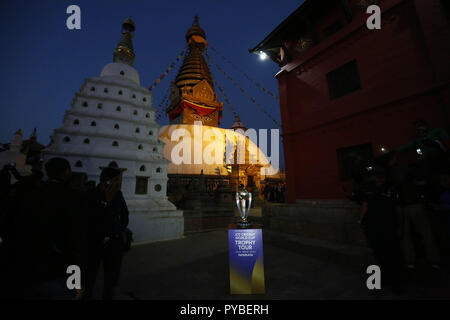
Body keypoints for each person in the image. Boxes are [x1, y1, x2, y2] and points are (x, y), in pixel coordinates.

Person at [13, 157, 85, 299]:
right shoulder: (74, 198)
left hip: (30, 269)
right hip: (59, 269)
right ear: (67, 172)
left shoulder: (31, 195)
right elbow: (75, 243)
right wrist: (76, 282)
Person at [83, 167, 129, 300]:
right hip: (94, 241)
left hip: (113, 242)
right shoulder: (91, 194)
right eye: (116, 180)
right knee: (89, 276)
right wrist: (106, 202)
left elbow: (125, 214)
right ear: (107, 180)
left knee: (111, 277)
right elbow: (89, 217)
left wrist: (119, 230)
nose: (119, 182)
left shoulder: (118, 194)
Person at [359, 165, 404, 293]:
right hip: (378, 227)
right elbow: (365, 206)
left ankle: (393, 282)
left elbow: (365, 206)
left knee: (389, 255)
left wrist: (360, 220)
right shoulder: (373, 190)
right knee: (382, 254)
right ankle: (386, 280)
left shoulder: (387, 190)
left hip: (384, 227)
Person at [398, 164, 440, 269]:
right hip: (416, 205)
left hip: (403, 207)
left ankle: (410, 261)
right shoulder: (416, 178)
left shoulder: (399, 181)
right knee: (426, 233)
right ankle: (434, 260)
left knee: (406, 235)